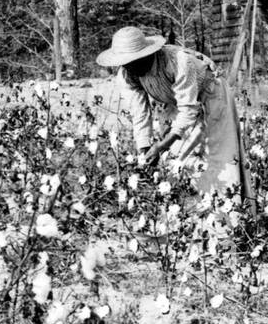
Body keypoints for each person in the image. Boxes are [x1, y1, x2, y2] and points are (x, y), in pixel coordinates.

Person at [97, 27, 250, 199]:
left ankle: (228, 213)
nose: (130, 67)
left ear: (147, 54)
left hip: (212, 94)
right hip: (176, 102)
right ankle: (197, 210)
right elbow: (140, 113)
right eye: (125, 63)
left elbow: (189, 109)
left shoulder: (177, 61)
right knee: (179, 157)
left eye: (134, 61)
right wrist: (144, 148)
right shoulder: (128, 74)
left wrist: (163, 145)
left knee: (221, 155)